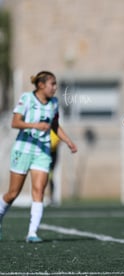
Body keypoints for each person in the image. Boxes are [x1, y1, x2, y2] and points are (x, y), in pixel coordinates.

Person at [0, 71, 77, 242]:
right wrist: (35, 125)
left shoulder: (54, 103)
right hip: (23, 149)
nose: (55, 88)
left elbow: (55, 126)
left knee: (39, 190)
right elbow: (15, 122)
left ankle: (32, 233)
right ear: (41, 85)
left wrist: (68, 141)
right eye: (52, 84)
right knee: (13, 193)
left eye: (56, 84)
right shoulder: (26, 98)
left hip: (42, 151)